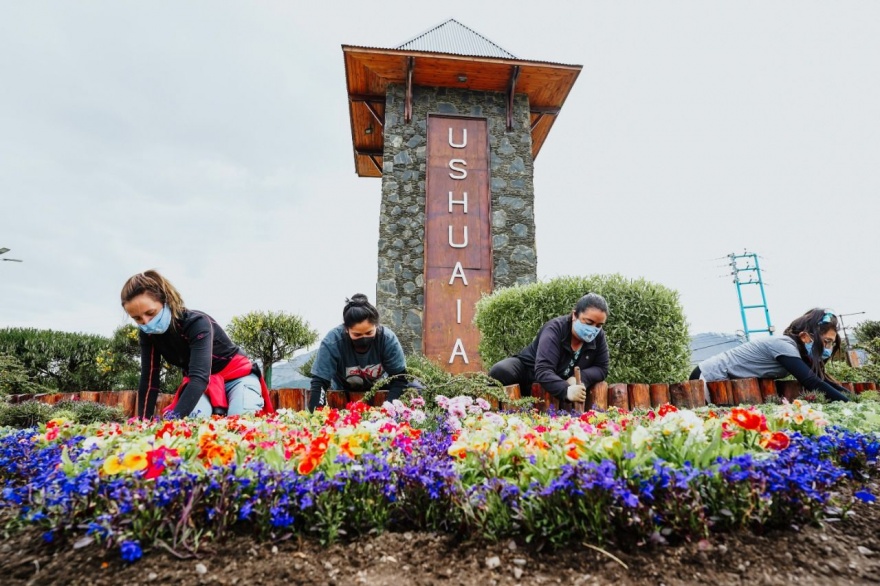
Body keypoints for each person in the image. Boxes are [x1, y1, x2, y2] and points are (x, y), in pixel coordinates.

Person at [121, 270, 275, 419]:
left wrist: (174, 420)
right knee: (194, 419)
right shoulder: (147, 334)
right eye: (137, 318)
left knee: (242, 420)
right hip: (202, 386)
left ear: (165, 301)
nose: (146, 322)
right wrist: (143, 422)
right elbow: (149, 381)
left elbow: (199, 377)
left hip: (237, 376)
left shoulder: (196, 323)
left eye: (150, 313)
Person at [690, 308, 849, 402]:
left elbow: (821, 379)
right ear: (805, 337)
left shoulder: (798, 351)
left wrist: (856, 398)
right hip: (708, 376)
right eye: (826, 341)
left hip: (725, 382)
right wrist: (848, 403)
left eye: (831, 343)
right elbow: (810, 381)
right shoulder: (783, 345)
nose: (828, 348)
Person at [488, 293, 610, 404]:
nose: (593, 329)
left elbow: (602, 368)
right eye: (589, 322)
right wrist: (566, 390)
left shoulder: (598, 335)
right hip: (530, 372)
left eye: (599, 325)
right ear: (574, 315)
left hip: (558, 380)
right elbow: (543, 370)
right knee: (501, 371)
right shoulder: (554, 329)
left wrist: (578, 378)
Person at [308, 294, 414, 412]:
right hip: (342, 393)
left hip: (381, 389)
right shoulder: (333, 342)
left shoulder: (387, 339)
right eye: (357, 335)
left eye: (369, 333)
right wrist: (316, 413)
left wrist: (388, 409)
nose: (364, 338)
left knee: (417, 389)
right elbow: (319, 383)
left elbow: (400, 378)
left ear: (376, 325)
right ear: (346, 329)